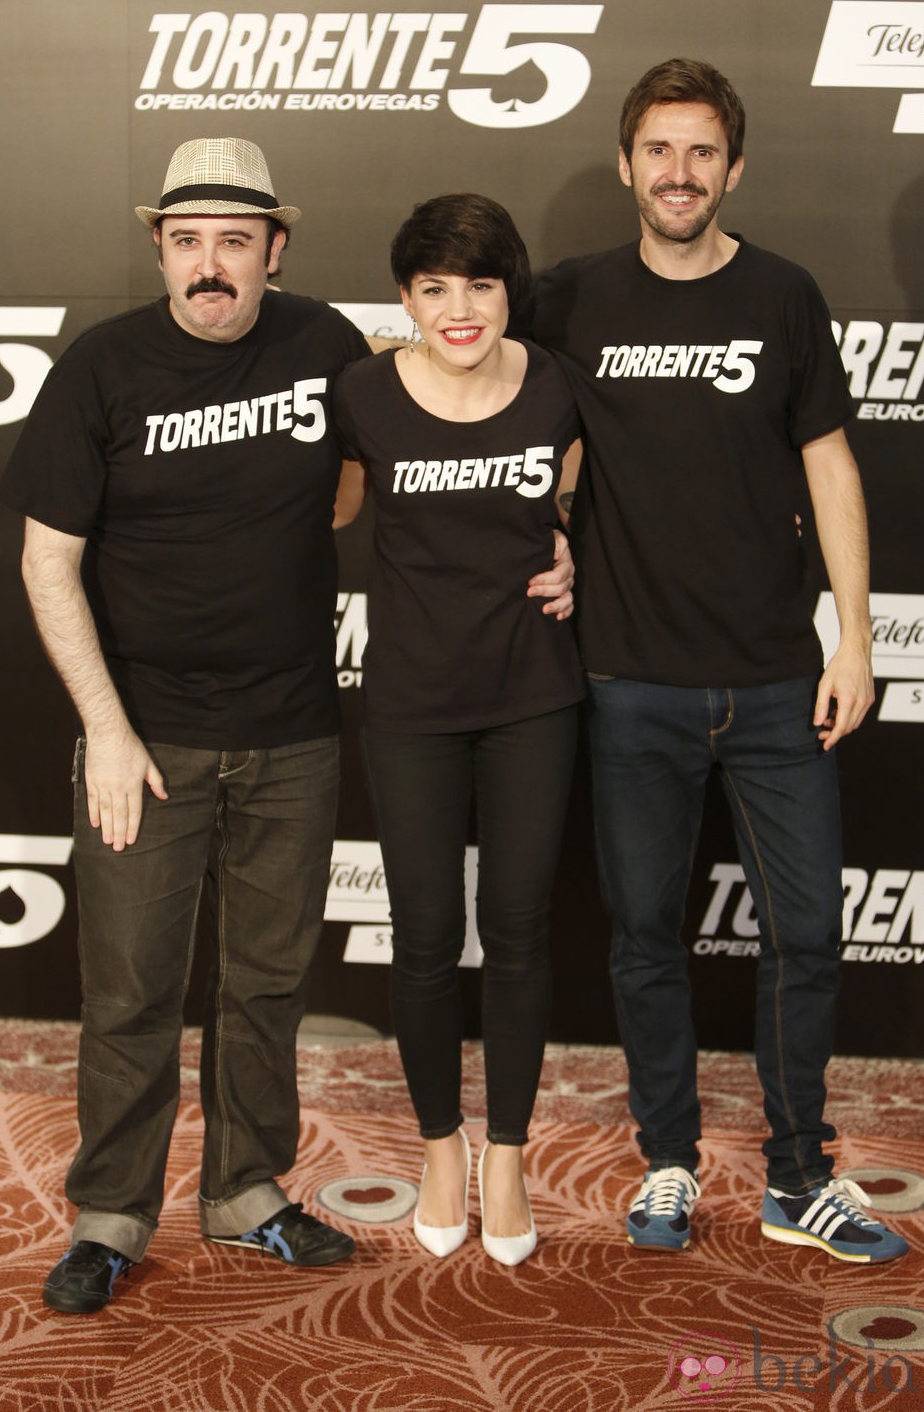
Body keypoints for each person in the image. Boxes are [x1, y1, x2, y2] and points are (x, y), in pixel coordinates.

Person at [531, 61, 909, 1263]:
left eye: (701, 153)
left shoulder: (783, 293)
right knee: (644, 932)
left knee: (807, 933)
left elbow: (829, 467)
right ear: (629, 162)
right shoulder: (571, 299)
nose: (678, 173)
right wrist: (543, 532)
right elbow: (496, 413)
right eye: (657, 150)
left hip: (770, 681)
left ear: (730, 169)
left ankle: (798, 1177)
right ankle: (667, 1163)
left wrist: (852, 636)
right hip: (625, 680)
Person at [0, 138, 375, 1314]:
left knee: (264, 988)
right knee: (130, 995)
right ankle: (110, 1216)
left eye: (234, 241)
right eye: (187, 241)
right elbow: (46, 562)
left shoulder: (328, 346)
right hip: (143, 745)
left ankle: (247, 1193)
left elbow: (379, 480)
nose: (210, 266)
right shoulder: (101, 368)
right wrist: (106, 731)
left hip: (296, 734)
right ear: (159, 245)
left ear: (275, 248)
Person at [332, 193, 584, 1266]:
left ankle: (508, 1155)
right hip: (410, 706)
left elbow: (581, 507)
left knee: (520, 929)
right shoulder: (362, 396)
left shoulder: (558, 390)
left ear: (505, 288)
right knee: (427, 935)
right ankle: (442, 1144)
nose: (459, 307)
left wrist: (572, 552)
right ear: (405, 298)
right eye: (433, 287)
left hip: (532, 696)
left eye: (478, 284)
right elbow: (320, 514)